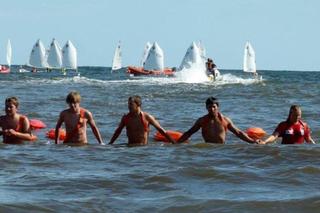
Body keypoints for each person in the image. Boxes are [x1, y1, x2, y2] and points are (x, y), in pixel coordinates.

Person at [177, 97, 259, 144]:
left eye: (214, 107)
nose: (212, 109)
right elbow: (189, 133)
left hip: (221, 150)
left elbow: (238, 133)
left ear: (217, 107)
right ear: (206, 108)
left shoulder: (225, 120)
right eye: (209, 107)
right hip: (208, 149)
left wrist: (252, 141)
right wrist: (177, 143)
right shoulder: (202, 121)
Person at [109, 96, 175, 146]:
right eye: (128, 104)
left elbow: (161, 130)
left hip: (143, 148)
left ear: (138, 105)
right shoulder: (126, 118)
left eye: (131, 104)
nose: (129, 106)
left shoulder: (147, 117)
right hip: (129, 148)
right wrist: (110, 144)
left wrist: (174, 143)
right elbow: (118, 131)